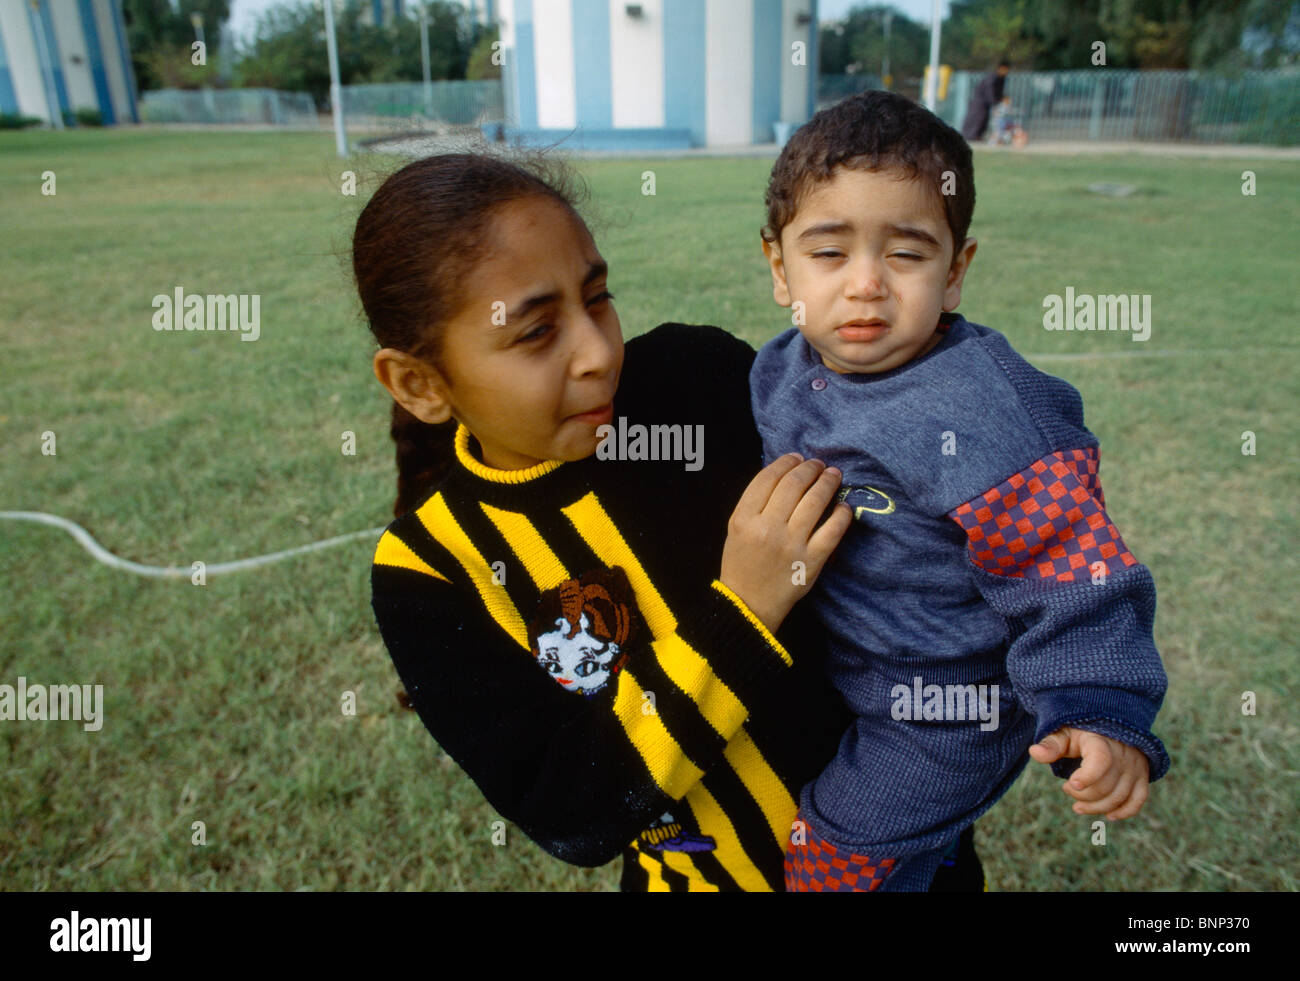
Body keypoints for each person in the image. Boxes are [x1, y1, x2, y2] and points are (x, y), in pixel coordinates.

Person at [353, 151, 988, 891]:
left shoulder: (704, 380)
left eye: (597, 297)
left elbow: (897, 515)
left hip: (915, 868)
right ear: (419, 383)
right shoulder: (430, 572)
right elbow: (573, 810)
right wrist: (743, 611)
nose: (597, 352)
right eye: (534, 332)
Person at [751, 90, 1171, 891]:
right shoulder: (779, 369)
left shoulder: (987, 416)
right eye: (829, 253)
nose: (867, 284)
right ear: (781, 268)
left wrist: (1098, 706)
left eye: (906, 253)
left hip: (942, 708)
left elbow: (1073, 567)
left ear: (955, 271)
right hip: (836, 666)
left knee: (832, 856)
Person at [961, 59, 1010, 143]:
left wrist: (1002, 98)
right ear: (1001, 68)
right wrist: (995, 103)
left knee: (984, 120)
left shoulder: (1001, 79)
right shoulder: (992, 78)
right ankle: (969, 136)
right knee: (977, 119)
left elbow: (999, 92)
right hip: (979, 102)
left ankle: (977, 136)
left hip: (987, 103)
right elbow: (990, 92)